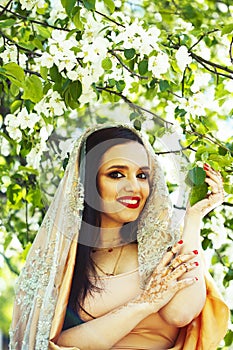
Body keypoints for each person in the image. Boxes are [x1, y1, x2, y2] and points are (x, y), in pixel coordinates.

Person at [9, 124, 229, 350]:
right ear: (87, 182)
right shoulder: (66, 264)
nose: (134, 187)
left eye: (142, 175)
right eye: (116, 174)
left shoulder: (166, 250)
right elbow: (54, 344)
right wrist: (145, 304)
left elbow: (181, 314)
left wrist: (193, 219)